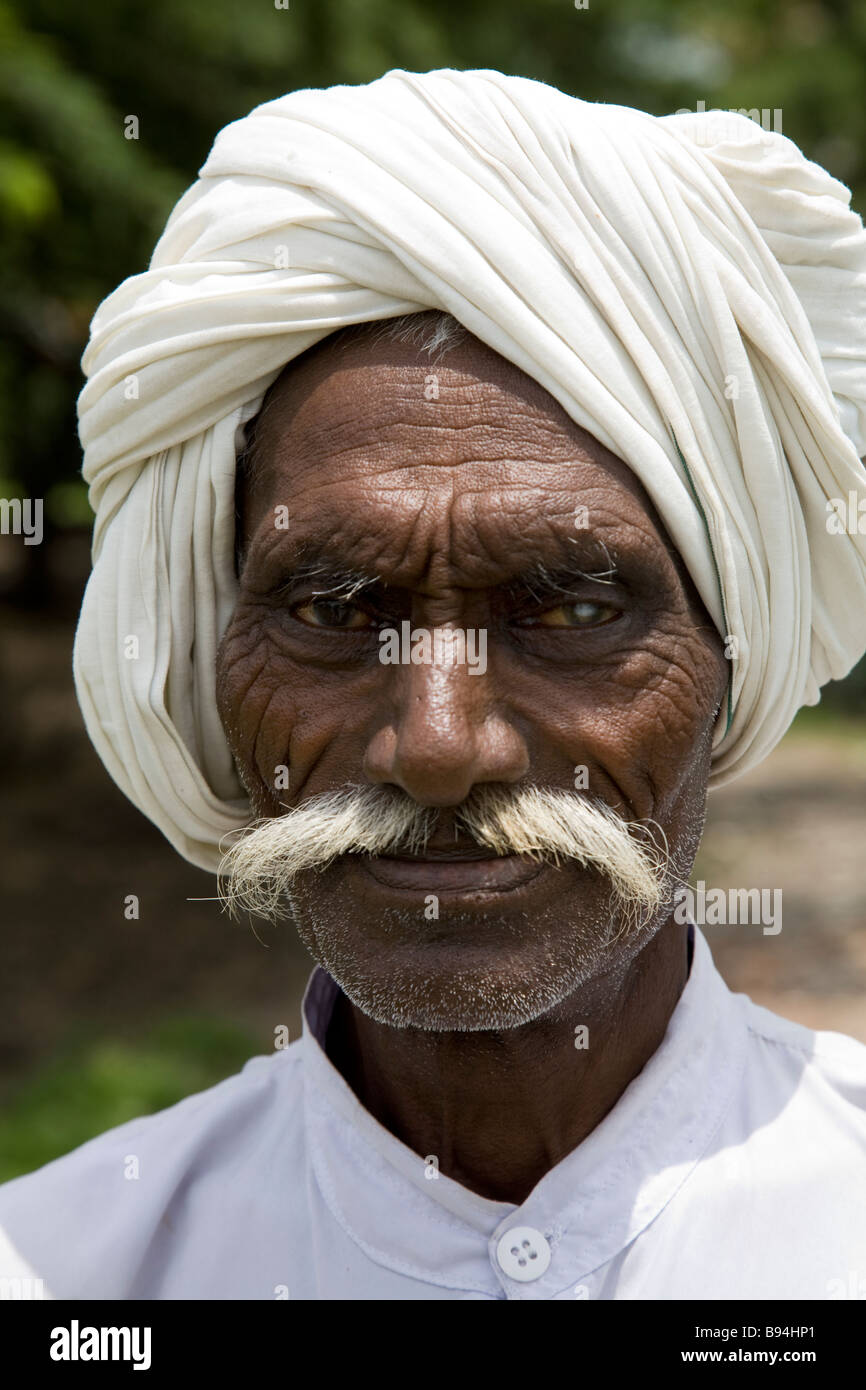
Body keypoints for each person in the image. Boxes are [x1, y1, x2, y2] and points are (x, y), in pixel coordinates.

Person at [2, 67, 866, 1301]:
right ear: (208, 644)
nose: (440, 744)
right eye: (329, 611)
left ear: (733, 656)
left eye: (571, 608)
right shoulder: (63, 1276)